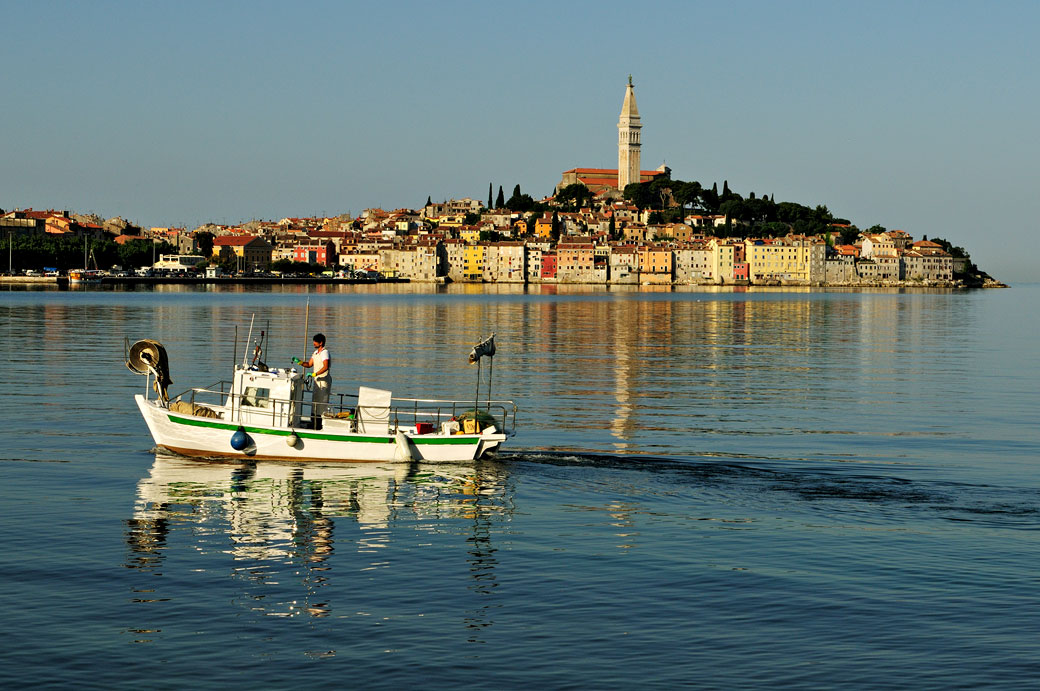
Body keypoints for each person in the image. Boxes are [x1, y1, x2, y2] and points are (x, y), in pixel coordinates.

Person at [295, 333, 331, 428]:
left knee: (321, 402)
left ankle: (320, 423)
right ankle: (313, 421)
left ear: (321, 343)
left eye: (315, 341)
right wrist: (299, 362)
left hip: (323, 380)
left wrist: (315, 373)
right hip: (316, 381)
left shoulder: (324, 352)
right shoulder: (315, 353)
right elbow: (309, 364)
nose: (314, 343)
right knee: (315, 401)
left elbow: (326, 366)